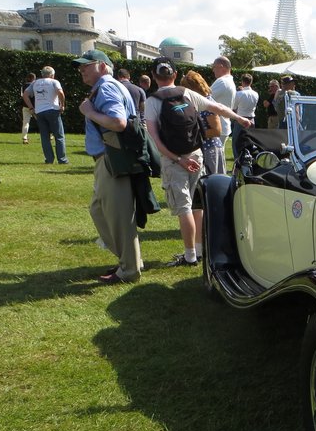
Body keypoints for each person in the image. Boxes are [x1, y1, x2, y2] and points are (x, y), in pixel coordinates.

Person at [146, 57, 251, 267]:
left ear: (154, 76)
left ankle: (190, 255)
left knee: (183, 207)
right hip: (196, 154)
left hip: (174, 159)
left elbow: (156, 141)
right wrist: (240, 119)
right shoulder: (187, 94)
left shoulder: (152, 102)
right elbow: (218, 108)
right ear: (175, 75)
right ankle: (201, 249)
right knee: (196, 203)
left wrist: (177, 159)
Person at [73, 49, 141, 285]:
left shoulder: (106, 87)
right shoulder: (110, 86)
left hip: (112, 158)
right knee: (100, 210)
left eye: (86, 65)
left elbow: (118, 122)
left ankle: (129, 269)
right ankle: (128, 260)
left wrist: (89, 111)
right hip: (112, 158)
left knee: (118, 217)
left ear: (102, 66)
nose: (81, 70)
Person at [179, 69, 226, 175]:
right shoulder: (196, 102)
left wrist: (192, 134)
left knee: (212, 184)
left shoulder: (208, 103)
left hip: (210, 150)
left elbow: (217, 131)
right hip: (201, 149)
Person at [24, 66, 67, 164]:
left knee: (45, 137)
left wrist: (31, 108)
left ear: (42, 74)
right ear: (52, 75)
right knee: (59, 136)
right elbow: (60, 92)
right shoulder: (54, 82)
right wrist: (62, 105)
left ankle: (49, 159)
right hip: (52, 110)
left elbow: (25, 95)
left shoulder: (35, 83)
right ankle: (62, 159)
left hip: (39, 112)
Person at [210, 55, 236, 150]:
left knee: (213, 160)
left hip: (217, 126)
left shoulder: (222, 81)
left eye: (214, 67)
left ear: (221, 67)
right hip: (222, 125)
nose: (213, 70)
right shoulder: (229, 81)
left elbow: (205, 98)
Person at [232, 73, 259, 150]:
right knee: (250, 141)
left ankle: (238, 159)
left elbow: (234, 107)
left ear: (242, 82)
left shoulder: (239, 93)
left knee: (236, 141)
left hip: (241, 118)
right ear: (251, 82)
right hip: (251, 118)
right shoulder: (256, 94)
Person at [20, 72, 36, 144]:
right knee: (42, 121)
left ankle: (25, 137)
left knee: (25, 122)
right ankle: (49, 134)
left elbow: (22, 96)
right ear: (33, 78)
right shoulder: (35, 85)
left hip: (25, 106)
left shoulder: (23, 86)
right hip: (34, 106)